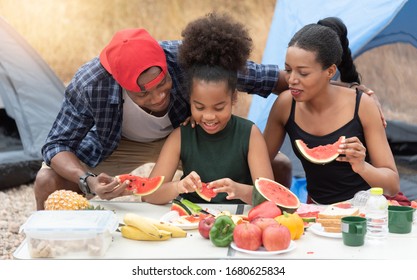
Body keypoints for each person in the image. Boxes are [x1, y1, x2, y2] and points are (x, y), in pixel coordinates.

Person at [33, 15, 291, 210]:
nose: (157, 98)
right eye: (143, 94)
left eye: (163, 84)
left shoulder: (188, 58)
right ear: (119, 83)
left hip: (184, 136)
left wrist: (323, 88)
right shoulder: (91, 83)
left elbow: (269, 79)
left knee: (278, 166)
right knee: (48, 181)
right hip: (116, 144)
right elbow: (57, 144)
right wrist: (87, 180)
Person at [263, 17, 400, 205]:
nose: (292, 80)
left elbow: (392, 185)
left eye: (303, 73)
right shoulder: (285, 105)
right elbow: (258, 162)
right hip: (319, 213)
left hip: (367, 209)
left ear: (329, 71)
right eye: (288, 70)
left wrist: (362, 167)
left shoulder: (363, 105)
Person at [142, 12, 274, 205]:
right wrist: (178, 187)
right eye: (199, 107)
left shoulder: (249, 133)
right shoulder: (181, 136)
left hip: (240, 223)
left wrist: (240, 190)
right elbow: (149, 194)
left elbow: (270, 196)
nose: (209, 116)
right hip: (189, 222)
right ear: (189, 99)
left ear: (234, 98)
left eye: (219, 107)